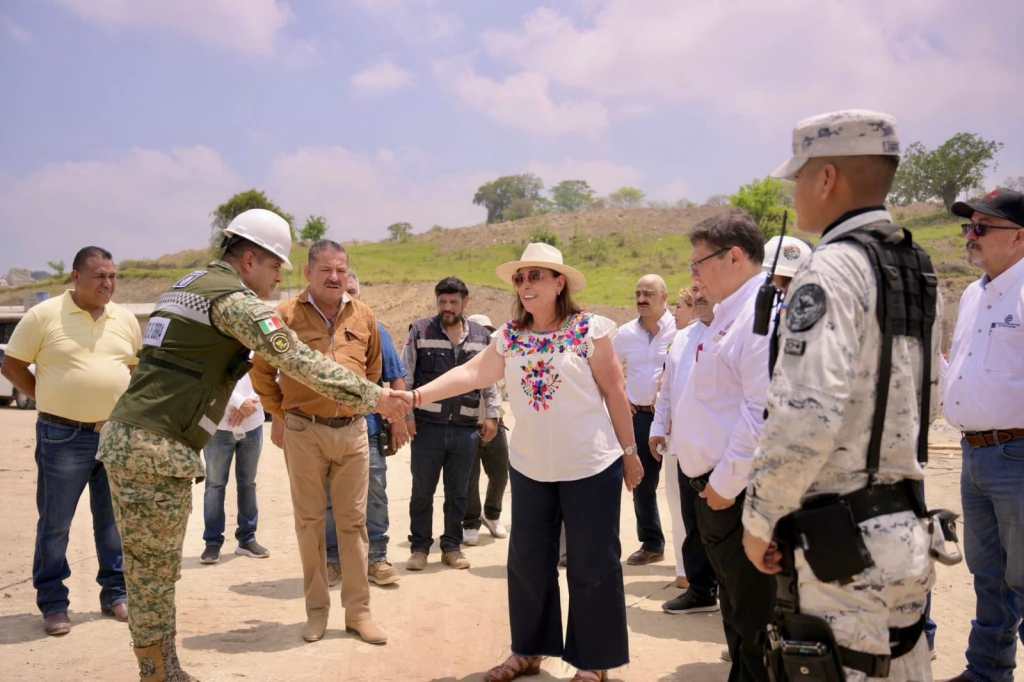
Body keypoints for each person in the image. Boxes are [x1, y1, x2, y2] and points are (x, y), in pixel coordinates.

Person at [99, 212, 409, 679]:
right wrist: (376, 398)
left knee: (148, 572)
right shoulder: (234, 300)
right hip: (155, 448)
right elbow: (297, 360)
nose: (278, 278)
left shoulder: (189, 283)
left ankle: (163, 669)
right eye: (275, 266)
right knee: (154, 576)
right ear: (249, 260)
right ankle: (159, 673)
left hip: (134, 440)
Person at [743, 109, 941, 682]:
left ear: (826, 178)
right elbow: (929, 398)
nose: (795, 191)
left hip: (840, 548)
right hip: (905, 530)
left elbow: (805, 417)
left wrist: (761, 519)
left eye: (799, 177)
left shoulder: (831, 270)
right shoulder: (915, 267)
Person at [406, 242, 643, 682]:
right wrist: (416, 396)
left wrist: (630, 454)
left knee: (593, 565)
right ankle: (528, 651)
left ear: (559, 282)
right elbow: (471, 374)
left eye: (535, 275)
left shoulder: (589, 330)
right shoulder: (509, 337)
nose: (525, 284)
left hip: (590, 467)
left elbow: (615, 392)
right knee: (528, 563)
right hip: (532, 468)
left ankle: (594, 662)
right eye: (520, 277)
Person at [251, 239, 394, 646]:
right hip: (304, 432)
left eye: (341, 270)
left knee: (354, 523)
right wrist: (280, 414)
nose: (335, 277)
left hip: (352, 432)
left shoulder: (364, 314)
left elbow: (372, 371)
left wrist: (357, 408)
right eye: (326, 270)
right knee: (310, 522)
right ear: (308, 273)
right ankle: (316, 612)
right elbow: (262, 371)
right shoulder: (284, 315)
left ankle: (358, 612)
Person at [1, 246, 139, 636]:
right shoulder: (43, 316)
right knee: (56, 524)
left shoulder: (125, 319)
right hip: (62, 436)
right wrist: (44, 396)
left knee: (112, 523)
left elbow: (133, 370)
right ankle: (53, 603)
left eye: (112, 276)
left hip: (114, 436)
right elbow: (12, 364)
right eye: (100, 276)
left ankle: (115, 593)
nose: (108, 284)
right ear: (76, 277)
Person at [671, 211, 773, 681]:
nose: (694, 275)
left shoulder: (760, 315)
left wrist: (723, 487)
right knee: (735, 611)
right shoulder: (727, 314)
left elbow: (761, 412)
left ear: (734, 256)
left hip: (736, 495)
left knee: (754, 620)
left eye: (700, 263)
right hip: (716, 493)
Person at [941, 188, 1024, 682]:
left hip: (1017, 454)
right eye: (968, 226)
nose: (970, 236)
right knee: (989, 575)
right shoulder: (974, 294)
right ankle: (988, 672)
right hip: (973, 453)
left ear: (1019, 238)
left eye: (982, 227)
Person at [402, 277, 501, 571]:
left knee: (459, 492)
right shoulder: (420, 331)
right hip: (427, 427)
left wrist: (492, 414)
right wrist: (407, 415)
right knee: (422, 491)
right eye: (442, 301)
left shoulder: (481, 336)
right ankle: (420, 548)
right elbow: (406, 375)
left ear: (465, 303)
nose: (447, 307)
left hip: (465, 428)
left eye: (453, 302)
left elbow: (489, 378)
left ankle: (452, 547)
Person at [322, 270, 410, 586]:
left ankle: (377, 559)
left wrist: (399, 421)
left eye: (353, 291)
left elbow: (396, 378)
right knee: (329, 498)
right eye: (342, 291)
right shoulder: (315, 331)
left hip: (367, 429)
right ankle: (333, 561)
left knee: (374, 494)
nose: (347, 297)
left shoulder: (375, 328)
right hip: (323, 429)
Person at [650, 286, 720, 614]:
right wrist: (656, 428)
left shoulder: (736, 333)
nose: (699, 297)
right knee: (692, 522)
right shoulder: (681, 339)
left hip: (722, 450)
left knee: (724, 526)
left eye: (705, 291)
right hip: (684, 448)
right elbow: (666, 391)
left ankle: (733, 596)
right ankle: (701, 590)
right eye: (696, 292)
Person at [612, 274, 676, 565]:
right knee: (642, 482)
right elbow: (609, 369)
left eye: (648, 294)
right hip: (640, 417)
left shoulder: (681, 329)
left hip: (676, 420)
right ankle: (652, 543)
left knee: (683, 484)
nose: (641, 299)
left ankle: (692, 553)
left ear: (664, 297)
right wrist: (622, 396)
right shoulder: (626, 333)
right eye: (638, 293)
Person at [199, 372, 268, 565]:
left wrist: (251, 404)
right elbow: (209, 376)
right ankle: (212, 542)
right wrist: (239, 402)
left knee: (248, 484)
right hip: (216, 425)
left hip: (253, 423)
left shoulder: (258, 349)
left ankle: (247, 539)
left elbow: (269, 374)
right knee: (215, 485)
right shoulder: (212, 349)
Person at [461, 313, 509, 545]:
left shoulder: (501, 361)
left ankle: (492, 514)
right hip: (467, 426)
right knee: (470, 478)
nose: (486, 337)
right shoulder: (462, 362)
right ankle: (470, 522)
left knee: (500, 473)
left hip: (496, 425)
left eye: (489, 333)